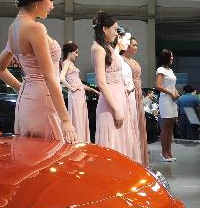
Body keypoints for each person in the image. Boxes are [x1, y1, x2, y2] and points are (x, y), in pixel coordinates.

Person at [0, 0, 76, 143]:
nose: (52, 5)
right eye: (50, 0)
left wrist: (24, 87)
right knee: (50, 154)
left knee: (32, 154)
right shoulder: (35, 28)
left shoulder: (14, 27)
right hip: (43, 99)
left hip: (27, 99)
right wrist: (65, 120)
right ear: (37, 1)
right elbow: (49, 76)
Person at [90, 11, 126, 155]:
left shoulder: (108, 48)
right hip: (110, 103)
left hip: (118, 99)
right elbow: (101, 82)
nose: (117, 33)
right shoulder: (97, 49)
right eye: (115, 29)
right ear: (104, 29)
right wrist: (116, 108)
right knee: (110, 148)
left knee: (119, 145)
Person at [59, 41, 96, 144]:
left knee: (81, 117)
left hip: (80, 94)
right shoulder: (66, 63)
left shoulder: (71, 64)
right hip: (75, 95)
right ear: (70, 52)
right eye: (76, 52)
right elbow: (61, 78)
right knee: (77, 117)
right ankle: (78, 141)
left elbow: (79, 83)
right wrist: (71, 88)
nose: (77, 55)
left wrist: (92, 89)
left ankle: (82, 141)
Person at [121, 35, 149, 167]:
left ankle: (141, 158)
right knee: (132, 124)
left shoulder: (134, 61)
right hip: (130, 94)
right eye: (134, 45)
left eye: (136, 45)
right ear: (127, 46)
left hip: (138, 94)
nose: (136, 47)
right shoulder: (121, 60)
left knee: (139, 125)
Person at [116, 29, 140, 162]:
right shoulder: (118, 58)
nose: (135, 47)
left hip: (133, 93)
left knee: (133, 126)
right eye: (131, 43)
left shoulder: (120, 58)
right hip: (125, 94)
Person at [156, 49, 179, 162]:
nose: (172, 58)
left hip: (173, 100)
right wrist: (171, 93)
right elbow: (158, 86)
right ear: (165, 57)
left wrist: (176, 93)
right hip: (165, 100)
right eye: (170, 57)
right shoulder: (160, 69)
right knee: (165, 128)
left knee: (171, 127)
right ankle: (164, 152)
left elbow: (172, 85)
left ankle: (169, 151)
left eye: (172, 56)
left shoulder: (171, 70)